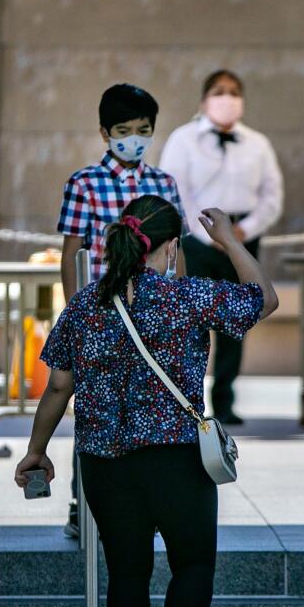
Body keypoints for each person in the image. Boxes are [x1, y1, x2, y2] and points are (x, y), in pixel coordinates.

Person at [14, 196, 278, 607]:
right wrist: (229, 241)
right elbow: (263, 300)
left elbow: (58, 387)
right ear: (170, 246)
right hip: (178, 458)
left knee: (127, 573)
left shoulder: (85, 305)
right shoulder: (185, 297)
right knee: (194, 563)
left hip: (106, 464)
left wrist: (36, 450)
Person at [56, 83, 187, 538]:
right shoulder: (85, 183)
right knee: (95, 410)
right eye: (124, 130)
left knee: (151, 409)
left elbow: (178, 252)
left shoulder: (163, 183)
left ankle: (148, 504)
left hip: (156, 317)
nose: (135, 138)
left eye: (144, 129)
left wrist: (181, 306)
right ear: (104, 132)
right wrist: (76, 317)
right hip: (102, 316)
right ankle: (84, 501)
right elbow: (71, 252)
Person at [159, 69, 283, 425]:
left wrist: (241, 232)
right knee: (191, 319)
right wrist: (207, 236)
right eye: (218, 92)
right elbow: (175, 190)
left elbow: (271, 197)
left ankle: (225, 400)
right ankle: (189, 399)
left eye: (233, 92)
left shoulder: (258, 144)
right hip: (198, 238)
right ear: (204, 100)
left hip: (242, 238)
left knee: (238, 319)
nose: (226, 98)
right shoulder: (183, 140)